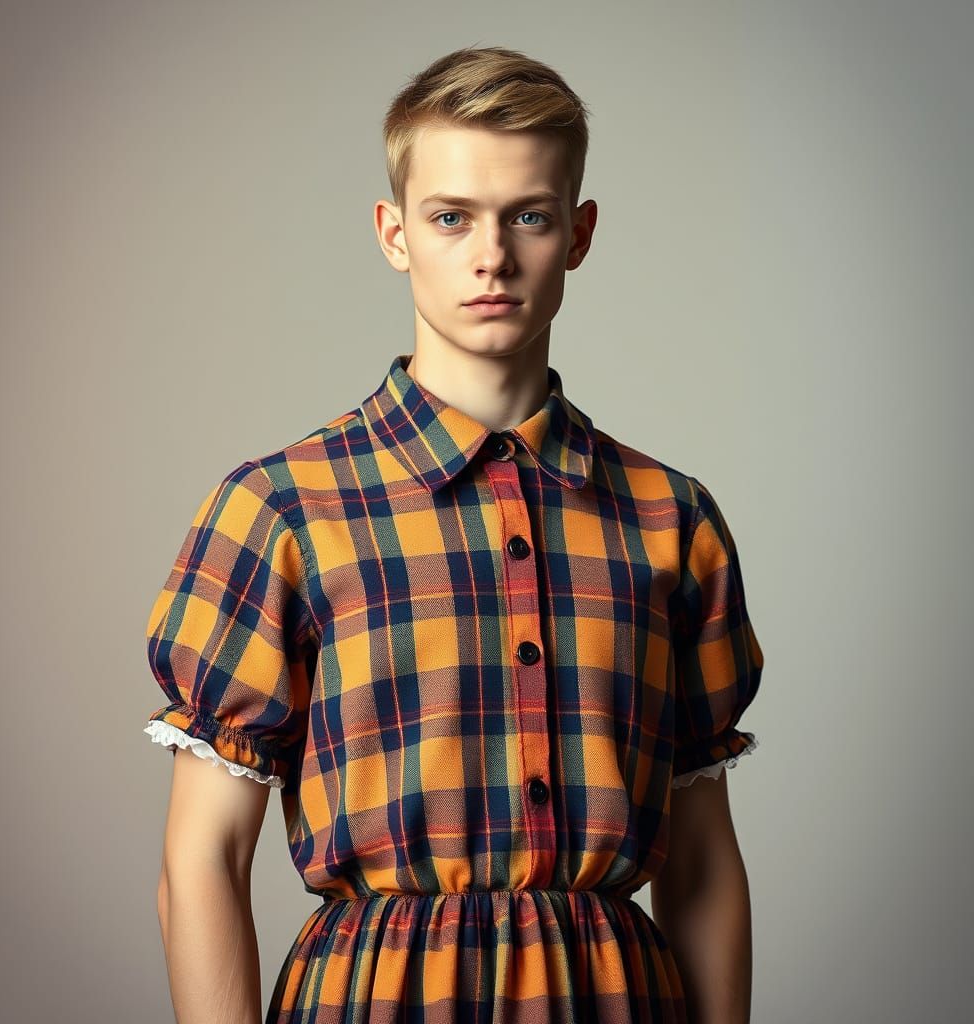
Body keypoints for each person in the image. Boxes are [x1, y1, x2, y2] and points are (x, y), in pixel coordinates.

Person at [144, 44, 764, 1024]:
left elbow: (698, 861)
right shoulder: (281, 510)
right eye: (450, 217)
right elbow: (203, 860)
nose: (491, 255)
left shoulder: (668, 519)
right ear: (394, 233)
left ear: (577, 232)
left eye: (528, 215)